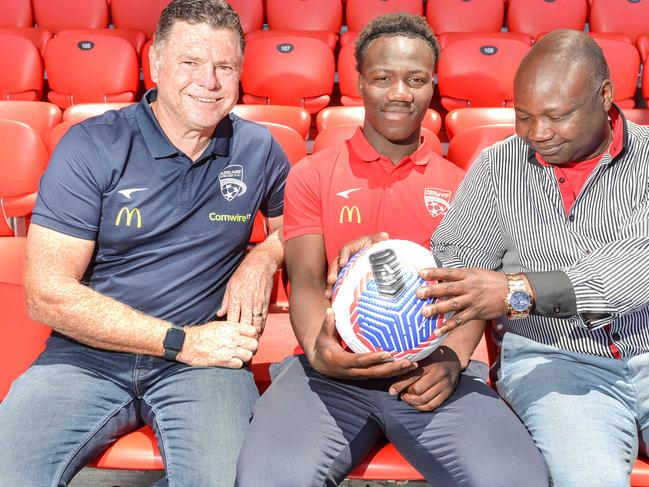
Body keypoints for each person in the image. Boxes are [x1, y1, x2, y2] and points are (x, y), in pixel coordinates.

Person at [235, 13, 548, 487]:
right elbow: (305, 281)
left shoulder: (462, 184)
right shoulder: (314, 174)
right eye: (383, 78)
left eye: (416, 79)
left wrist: (452, 359)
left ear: (432, 85)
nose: (399, 93)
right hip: (332, 373)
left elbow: (472, 296)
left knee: (516, 480)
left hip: (435, 372)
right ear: (359, 81)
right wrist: (320, 355)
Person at [0, 1, 291, 485]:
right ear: (155, 62)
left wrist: (264, 254)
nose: (210, 81)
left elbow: (293, 230)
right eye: (190, 63)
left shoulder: (258, 148)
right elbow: (47, 292)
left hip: (206, 367)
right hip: (87, 354)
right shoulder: (91, 145)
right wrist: (179, 341)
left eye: (224, 67)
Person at [423, 29, 649, 486]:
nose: (538, 134)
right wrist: (448, 354)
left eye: (557, 115)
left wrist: (514, 292)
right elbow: (457, 271)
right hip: (554, 360)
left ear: (604, 96)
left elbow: (634, 270)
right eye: (523, 117)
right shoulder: (495, 166)